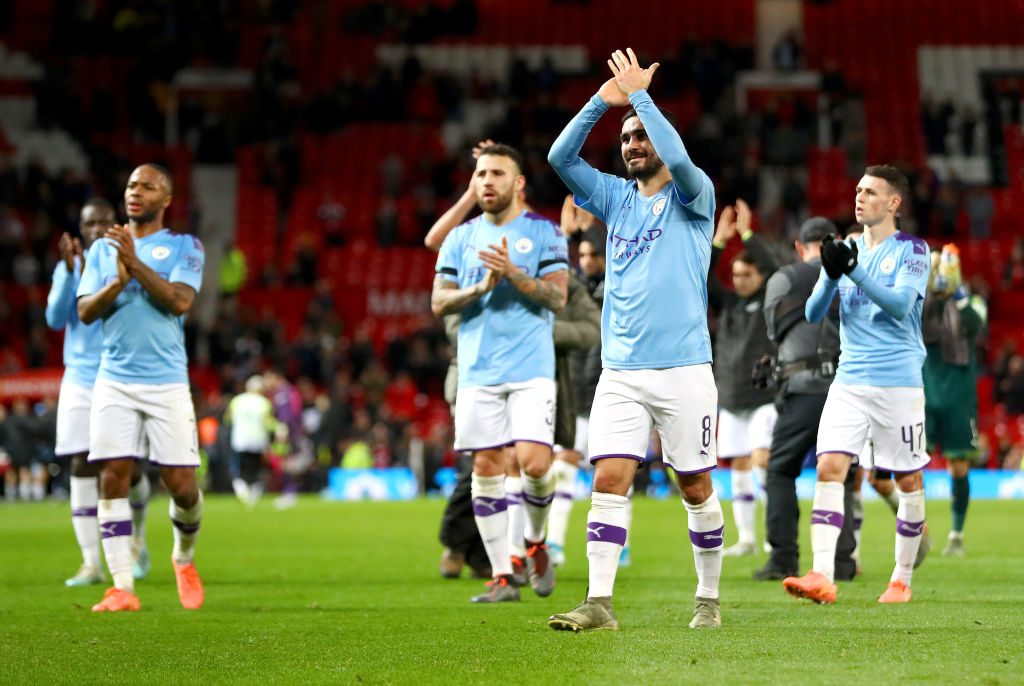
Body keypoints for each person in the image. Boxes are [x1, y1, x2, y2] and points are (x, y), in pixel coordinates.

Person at [547, 48, 723, 631]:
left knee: (694, 485)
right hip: (620, 371)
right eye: (625, 138)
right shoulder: (614, 198)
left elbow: (678, 155)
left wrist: (643, 100)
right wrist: (607, 100)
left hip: (684, 370)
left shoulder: (695, 197)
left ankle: (708, 599)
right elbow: (559, 155)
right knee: (609, 478)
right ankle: (599, 602)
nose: (631, 144)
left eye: (640, 136)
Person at [784, 164, 930, 605]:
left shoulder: (913, 250)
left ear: (893, 203)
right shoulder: (846, 247)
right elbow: (812, 314)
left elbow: (901, 307)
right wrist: (831, 272)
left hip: (898, 383)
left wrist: (855, 271)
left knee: (906, 479)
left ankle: (902, 579)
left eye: (870, 192)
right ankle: (821, 575)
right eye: (858, 190)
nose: (859, 197)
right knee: (830, 466)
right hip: (849, 380)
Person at [431, 142, 569, 603]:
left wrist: (511, 273)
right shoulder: (460, 237)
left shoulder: (545, 233)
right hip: (477, 371)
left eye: (497, 174)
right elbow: (438, 301)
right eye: (481, 174)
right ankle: (501, 576)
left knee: (534, 465)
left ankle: (533, 542)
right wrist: (480, 287)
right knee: (485, 469)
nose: (487, 181)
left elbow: (557, 297)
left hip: (531, 369)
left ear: (518, 183)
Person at [77, 164, 206, 612]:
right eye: (131, 184)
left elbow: (179, 301)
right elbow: (86, 313)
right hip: (114, 379)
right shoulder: (101, 251)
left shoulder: (184, 246)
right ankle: (122, 587)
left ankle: (183, 558)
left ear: (166, 199)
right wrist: (116, 280)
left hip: (167, 382)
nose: (136, 191)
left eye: (148, 186)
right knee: (113, 474)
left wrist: (134, 264)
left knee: (183, 486)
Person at [46, 198, 152, 587]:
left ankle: (138, 539)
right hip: (80, 377)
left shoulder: (132, 262)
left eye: (104, 222)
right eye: (89, 224)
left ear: (117, 225)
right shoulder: (68, 267)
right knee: (79, 463)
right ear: (80, 228)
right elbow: (55, 318)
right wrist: (74, 274)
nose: (96, 230)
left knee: (129, 468)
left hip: (124, 374)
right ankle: (91, 563)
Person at [753, 217, 857, 581]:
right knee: (840, 475)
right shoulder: (851, 275)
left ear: (800, 247)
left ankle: (783, 558)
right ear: (837, 242)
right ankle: (843, 562)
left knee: (781, 470)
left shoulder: (784, 278)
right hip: (844, 388)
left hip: (799, 388)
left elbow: (772, 332)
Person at [708, 198, 779, 556]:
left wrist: (748, 234)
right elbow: (703, 277)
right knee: (738, 465)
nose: (738, 281)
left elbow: (772, 265)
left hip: (764, 396)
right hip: (731, 396)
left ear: (759, 277)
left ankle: (773, 536)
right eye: (734, 275)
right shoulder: (730, 303)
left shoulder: (771, 298)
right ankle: (748, 538)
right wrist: (719, 241)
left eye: (746, 275)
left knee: (762, 461)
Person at [921, 244, 987, 557]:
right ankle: (918, 529)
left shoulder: (972, 301)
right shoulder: (922, 302)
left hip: (959, 397)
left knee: (959, 466)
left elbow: (975, 325)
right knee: (911, 467)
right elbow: (914, 322)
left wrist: (957, 291)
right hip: (924, 392)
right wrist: (928, 283)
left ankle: (956, 534)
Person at [225, 374, 277, 508]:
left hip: (240, 440)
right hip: (258, 441)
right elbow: (268, 422)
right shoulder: (264, 402)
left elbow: (227, 420)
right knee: (256, 469)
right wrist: (280, 428)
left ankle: (241, 489)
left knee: (240, 468)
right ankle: (253, 494)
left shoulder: (237, 400)